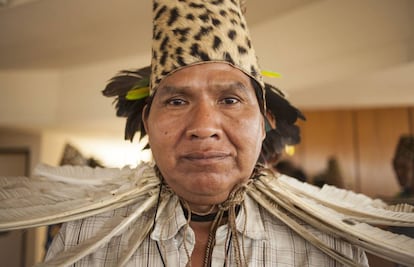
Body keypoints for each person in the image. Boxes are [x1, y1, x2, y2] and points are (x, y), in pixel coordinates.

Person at [44, 1, 373, 266]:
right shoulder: (85, 239)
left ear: (264, 123)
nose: (203, 127)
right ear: (147, 122)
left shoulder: (329, 248)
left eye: (230, 100)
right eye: (176, 101)